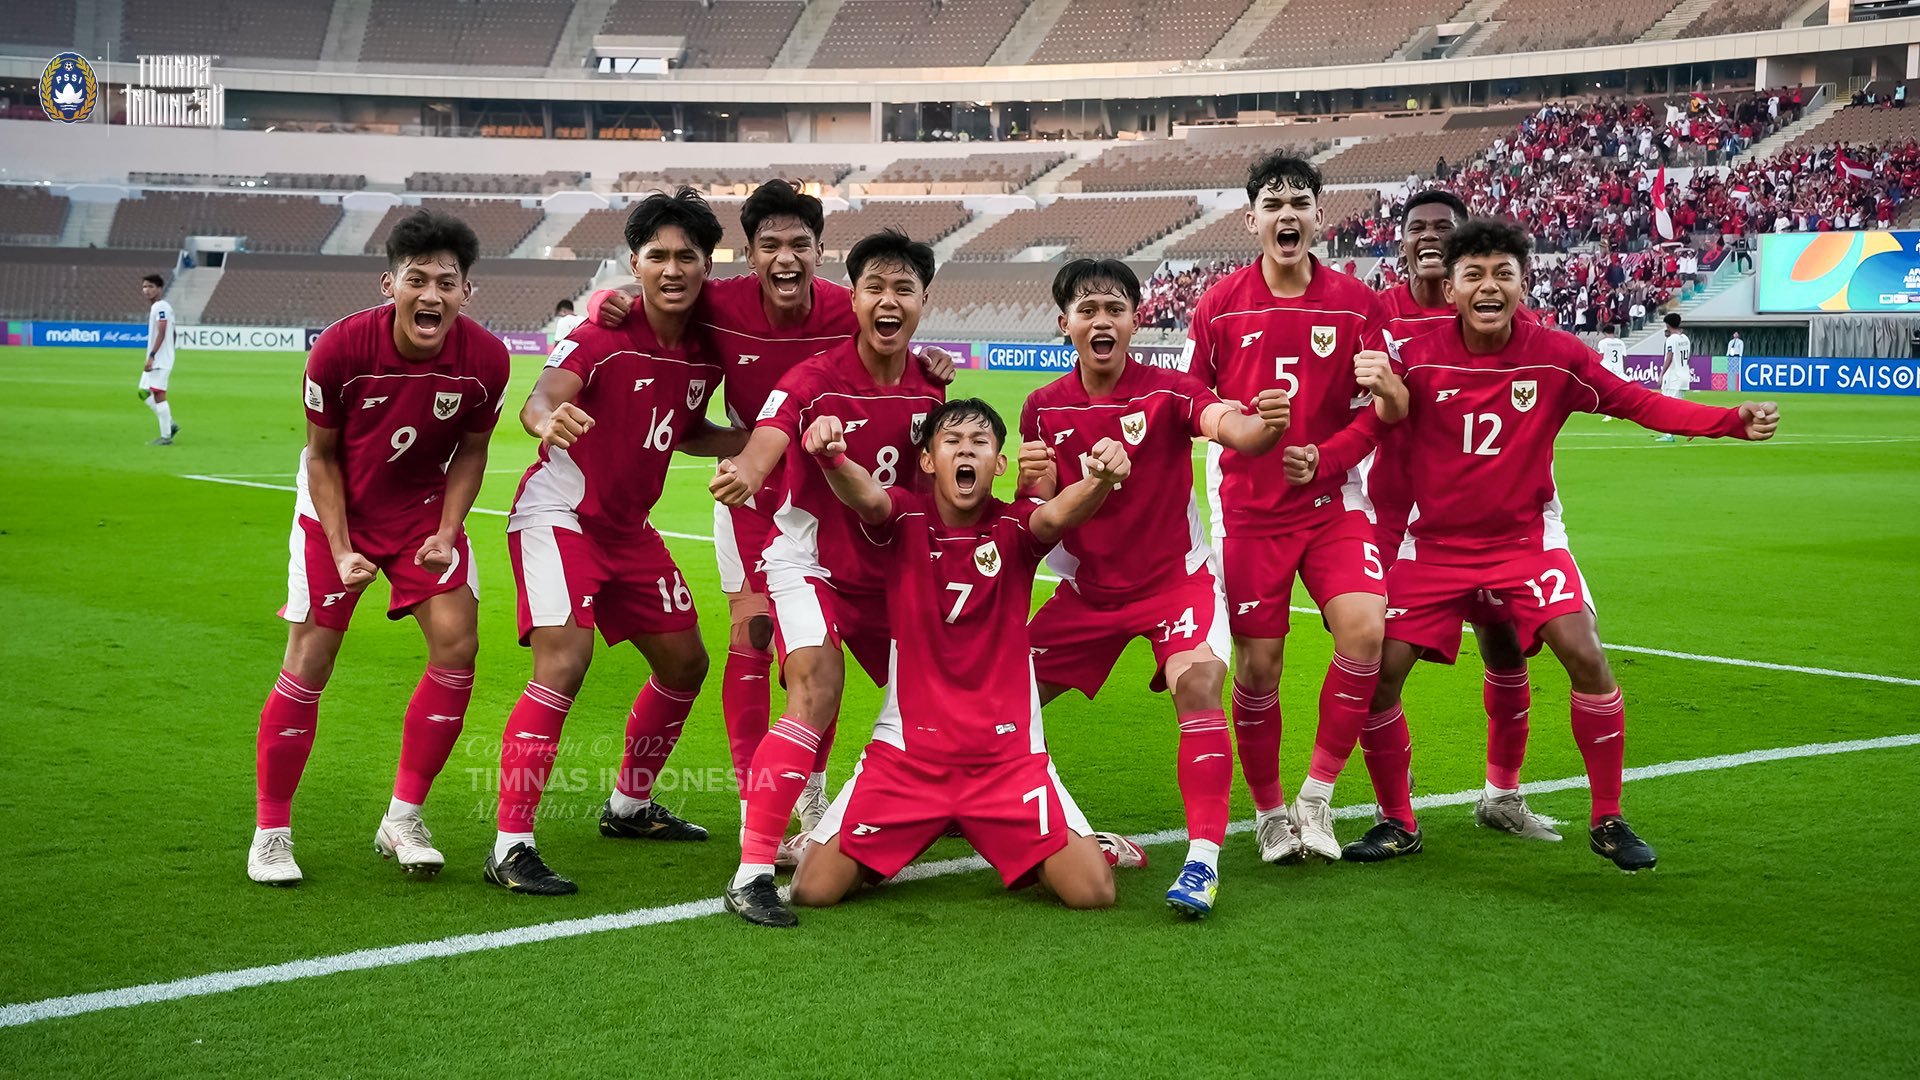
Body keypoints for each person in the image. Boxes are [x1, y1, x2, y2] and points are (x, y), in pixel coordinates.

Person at [1350, 217, 1778, 873]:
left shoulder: (1555, 354)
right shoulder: (1419, 355)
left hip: (1524, 541)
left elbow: (1635, 402)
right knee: (1380, 677)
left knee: (1583, 653)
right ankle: (1397, 822)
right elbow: (1373, 424)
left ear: (1524, 284)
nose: (1489, 286)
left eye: (1503, 274)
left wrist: (1729, 422)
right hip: (1432, 546)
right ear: (1453, 286)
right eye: (1475, 275)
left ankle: (1608, 817)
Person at [589, 181, 956, 859]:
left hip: (837, 501)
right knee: (754, 637)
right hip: (757, 497)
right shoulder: (718, 304)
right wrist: (604, 300)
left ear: (820, 252)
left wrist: (932, 359)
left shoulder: (854, 305)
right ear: (749, 255)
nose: (785, 258)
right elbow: (652, 304)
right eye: (770, 246)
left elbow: (899, 337)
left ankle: (814, 796)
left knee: (816, 651)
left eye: (799, 244)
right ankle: (754, 801)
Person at [790, 400, 1146, 917]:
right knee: (812, 890)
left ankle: (1093, 843)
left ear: (998, 465)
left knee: (1093, 893)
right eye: (952, 441)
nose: (966, 450)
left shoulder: (1016, 528)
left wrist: (1100, 480)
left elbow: (1057, 512)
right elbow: (867, 498)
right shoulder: (903, 517)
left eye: (980, 444)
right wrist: (832, 459)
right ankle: (914, 828)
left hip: (1006, 761)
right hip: (907, 759)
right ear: (929, 460)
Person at [489, 189, 748, 896]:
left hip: (630, 531)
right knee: (564, 664)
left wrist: (757, 442)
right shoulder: (603, 331)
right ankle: (510, 845)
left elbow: (685, 429)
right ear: (634, 263)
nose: (672, 268)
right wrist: (547, 420)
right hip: (560, 515)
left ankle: (629, 807)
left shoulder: (706, 348)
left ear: (706, 264)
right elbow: (541, 396)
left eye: (685, 256)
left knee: (686, 663)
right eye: (657, 256)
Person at [246, 210, 511, 886]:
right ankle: (272, 832)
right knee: (311, 658)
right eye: (416, 280)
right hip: (338, 509)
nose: (431, 296)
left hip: (421, 511)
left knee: (459, 643)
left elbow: (472, 451)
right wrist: (339, 548)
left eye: (446, 283)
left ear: (466, 291)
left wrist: (449, 531)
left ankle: (403, 816)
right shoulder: (339, 349)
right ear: (389, 283)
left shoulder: (487, 359)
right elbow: (321, 457)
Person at [1017, 259, 1289, 915]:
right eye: (1087, 309)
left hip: (1176, 583)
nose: (1101, 319)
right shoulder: (1042, 408)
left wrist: (1264, 426)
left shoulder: (1170, 389)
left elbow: (1231, 426)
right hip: (1088, 594)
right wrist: (1038, 481)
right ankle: (1062, 832)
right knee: (1001, 699)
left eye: (1114, 307)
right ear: (1065, 325)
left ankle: (1202, 863)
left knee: (1197, 684)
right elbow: (1039, 521)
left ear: (1136, 320)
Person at [709, 229, 947, 927]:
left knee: (930, 716)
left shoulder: (931, 390)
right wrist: (747, 471)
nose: (888, 301)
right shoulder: (813, 379)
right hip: (809, 562)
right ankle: (752, 871)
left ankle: (846, 825)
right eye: (875, 287)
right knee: (814, 686)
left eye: (904, 289)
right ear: (855, 299)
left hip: (894, 575)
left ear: (923, 302)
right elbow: (767, 439)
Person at [1180, 153, 1410, 866]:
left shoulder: (1356, 302)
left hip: (1333, 504)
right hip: (1249, 510)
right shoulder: (1219, 305)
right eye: (1273, 203)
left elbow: (1386, 409)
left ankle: (1317, 796)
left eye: (1300, 202)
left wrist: (1329, 458)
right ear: (1252, 220)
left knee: (1366, 632)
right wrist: (1240, 425)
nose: (1287, 214)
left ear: (1318, 216)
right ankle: (1271, 811)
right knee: (1258, 669)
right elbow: (1191, 403)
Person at [1361, 190, 1557, 841]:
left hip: (1496, 521)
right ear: (1402, 241)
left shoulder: (1499, 310)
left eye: (1443, 228)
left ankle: (1502, 796)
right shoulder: (1376, 313)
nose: (1429, 237)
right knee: (1379, 664)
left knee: (1504, 648)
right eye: (1418, 228)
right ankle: (1397, 804)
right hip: (1401, 525)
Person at [137, 273, 179, 445]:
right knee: (143, 391)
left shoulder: (161, 307)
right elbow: (172, 332)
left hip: (159, 360)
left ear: (160, 289)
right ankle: (169, 424)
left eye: (151, 287)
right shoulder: (158, 307)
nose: (147, 290)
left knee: (159, 394)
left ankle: (166, 437)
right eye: (145, 286)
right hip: (161, 358)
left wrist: (153, 356)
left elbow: (162, 331)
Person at [1656, 312, 1693, 441]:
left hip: (1673, 377)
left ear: (1667, 325)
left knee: (1668, 406)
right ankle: (1689, 429)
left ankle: (1670, 434)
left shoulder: (1671, 339)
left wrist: (1661, 374)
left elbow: (1669, 357)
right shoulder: (1685, 339)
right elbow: (1687, 357)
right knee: (1679, 407)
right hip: (1683, 375)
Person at [1597, 322, 1629, 424]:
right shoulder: (1620, 342)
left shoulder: (1603, 343)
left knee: (1607, 392)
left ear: (1604, 332)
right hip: (1619, 369)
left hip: (1608, 369)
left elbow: (1600, 356)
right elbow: (1624, 357)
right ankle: (1622, 411)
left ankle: (1609, 414)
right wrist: (1624, 369)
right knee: (1619, 392)